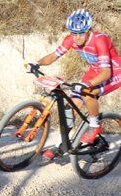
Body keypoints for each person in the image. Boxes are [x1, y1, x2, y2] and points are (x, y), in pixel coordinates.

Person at [29, 9, 120, 157]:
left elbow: (106, 73)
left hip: (114, 70)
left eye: (80, 33)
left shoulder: (100, 40)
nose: (76, 37)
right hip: (95, 70)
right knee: (70, 106)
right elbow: (53, 56)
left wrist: (88, 84)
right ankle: (61, 145)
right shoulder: (71, 39)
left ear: (88, 30)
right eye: (73, 33)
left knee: (89, 93)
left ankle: (95, 126)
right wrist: (37, 63)